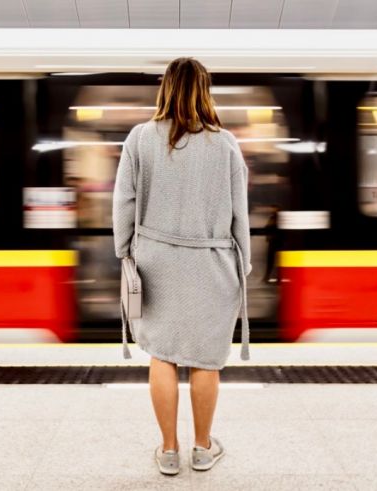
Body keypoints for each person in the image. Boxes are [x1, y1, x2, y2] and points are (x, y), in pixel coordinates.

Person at [112, 57, 252, 476]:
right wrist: (242, 264)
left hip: (157, 261)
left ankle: (169, 450)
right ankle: (203, 448)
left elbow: (124, 203)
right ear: (204, 92)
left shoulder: (139, 138)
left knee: (162, 356)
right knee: (207, 360)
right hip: (212, 262)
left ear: (166, 89)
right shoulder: (224, 143)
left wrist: (125, 252)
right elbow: (239, 213)